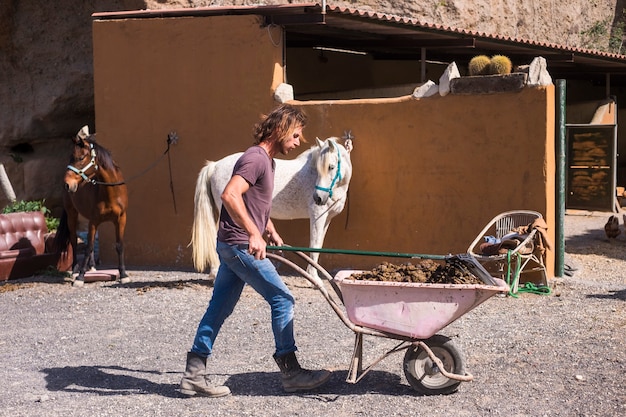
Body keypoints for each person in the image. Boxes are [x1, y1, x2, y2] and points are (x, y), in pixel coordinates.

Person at [180, 104, 332, 397]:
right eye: (297, 135)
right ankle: (292, 373)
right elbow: (230, 194)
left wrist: (269, 229)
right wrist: (253, 233)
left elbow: (255, 202)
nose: (299, 142)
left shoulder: (268, 162)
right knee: (283, 298)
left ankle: (193, 375)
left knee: (219, 308)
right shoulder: (255, 159)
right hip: (239, 246)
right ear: (281, 129)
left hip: (231, 245)